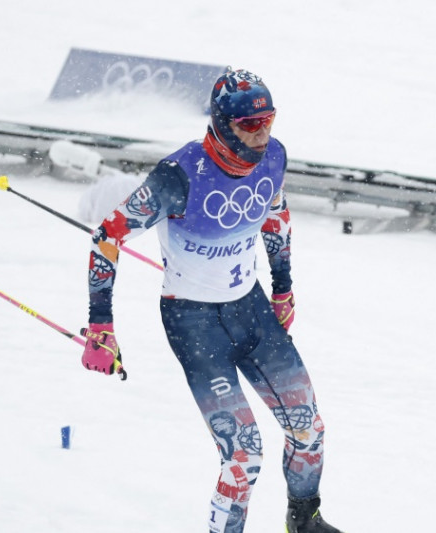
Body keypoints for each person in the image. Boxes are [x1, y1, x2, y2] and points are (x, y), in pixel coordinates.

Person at [79, 68, 344, 533]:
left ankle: (304, 521)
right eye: (249, 125)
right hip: (194, 322)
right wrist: (101, 326)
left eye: (269, 121)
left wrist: (282, 287)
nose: (262, 135)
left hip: (251, 309)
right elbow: (108, 236)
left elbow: (275, 215)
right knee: (244, 457)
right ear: (222, 124)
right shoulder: (177, 176)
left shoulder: (274, 157)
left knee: (309, 430)